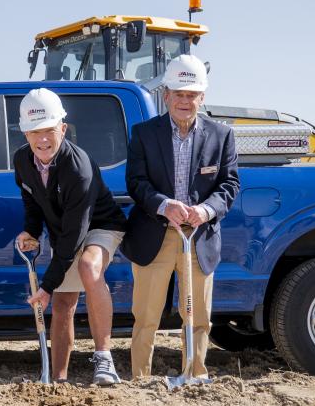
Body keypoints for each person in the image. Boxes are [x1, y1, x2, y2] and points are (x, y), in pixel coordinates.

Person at [121, 54, 240, 380]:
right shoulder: (144, 134)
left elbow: (229, 185)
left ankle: (194, 377)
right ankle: (140, 381)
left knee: (199, 316)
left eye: (192, 95)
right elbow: (136, 182)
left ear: (202, 97)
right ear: (166, 95)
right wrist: (163, 205)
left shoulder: (221, 136)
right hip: (154, 235)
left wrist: (205, 210)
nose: (185, 101)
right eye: (179, 94)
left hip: (198, 238)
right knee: (146, 316)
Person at [13, 87, 128, 385]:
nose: (42, 139)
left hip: (100, 226)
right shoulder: (23, 161)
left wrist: (46, 286)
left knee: (88, 267)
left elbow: (77, 233)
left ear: (62, 128)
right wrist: (32, 231)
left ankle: (104, 360)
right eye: (34, 131)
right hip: (66, 232)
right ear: (25, 134)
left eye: (49, 130)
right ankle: (56, 379)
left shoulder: (79, 168)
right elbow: (32, 201)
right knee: (64, 303)